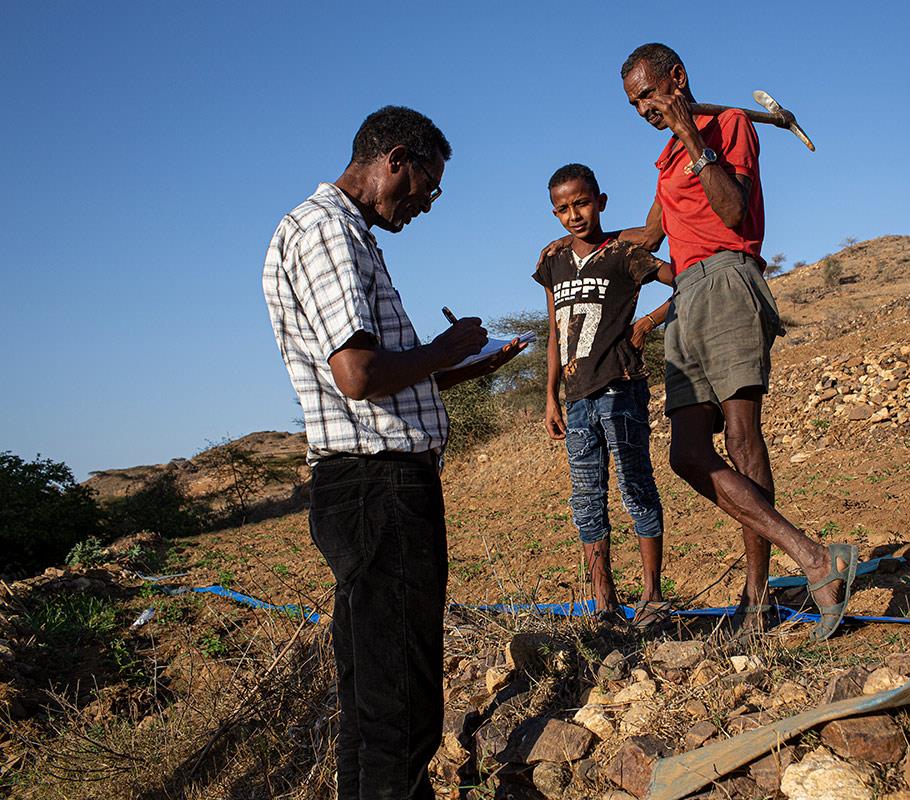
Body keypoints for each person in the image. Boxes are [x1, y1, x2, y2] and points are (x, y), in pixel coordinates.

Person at [263, 105, 525, 799]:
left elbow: (382, 375)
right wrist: (443, 348)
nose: (424, 206)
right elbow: (357, 375)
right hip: (377, 488)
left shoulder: (344, 233)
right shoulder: (328, 231)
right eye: (424, 189)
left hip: (364, 487)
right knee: (400, 704)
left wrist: (465, 364)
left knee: (372, 698)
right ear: (395, 158)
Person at [617, 43, 857, 641]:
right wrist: (582, 241)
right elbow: (651, 235)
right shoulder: (666, 157)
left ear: (676, 78)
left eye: (648, 93)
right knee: (686, 454)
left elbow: (733, 212)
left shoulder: (728, 127)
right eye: (633, 102)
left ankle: (757, 598)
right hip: (687, 297)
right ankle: (812, 556)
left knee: (743, 435)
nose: (643, 108)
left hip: (729, 277)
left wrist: (696, 140)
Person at [534, 163, 675, 628]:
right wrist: (551, 396)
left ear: (601, 202)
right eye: (563, 209)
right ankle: (605, 605)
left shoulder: (624, 254)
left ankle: (653, 597)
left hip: (622, 390)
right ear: (554, 212)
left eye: (582, 203)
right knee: (586, 499)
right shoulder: (552, 261)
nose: (574, 215)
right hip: (576, 400)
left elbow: (687, 281)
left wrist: (648, 323)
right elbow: (555, 333)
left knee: (636, 487)